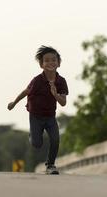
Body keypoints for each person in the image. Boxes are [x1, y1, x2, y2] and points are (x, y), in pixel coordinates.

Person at [7, 45, 69, 174]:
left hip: (50, 116)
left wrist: (55, 94)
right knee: (37, 144)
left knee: (55, 139)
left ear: (59, 63)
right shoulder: (37, 80)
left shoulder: (61, 81)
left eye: (53, 60)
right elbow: (26, 91)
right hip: (35, 116)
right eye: (47, 60)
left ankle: (50, 165)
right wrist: (14, 102)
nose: (50, 62)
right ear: (41, 64)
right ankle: (33, 134)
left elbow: (63, 103)